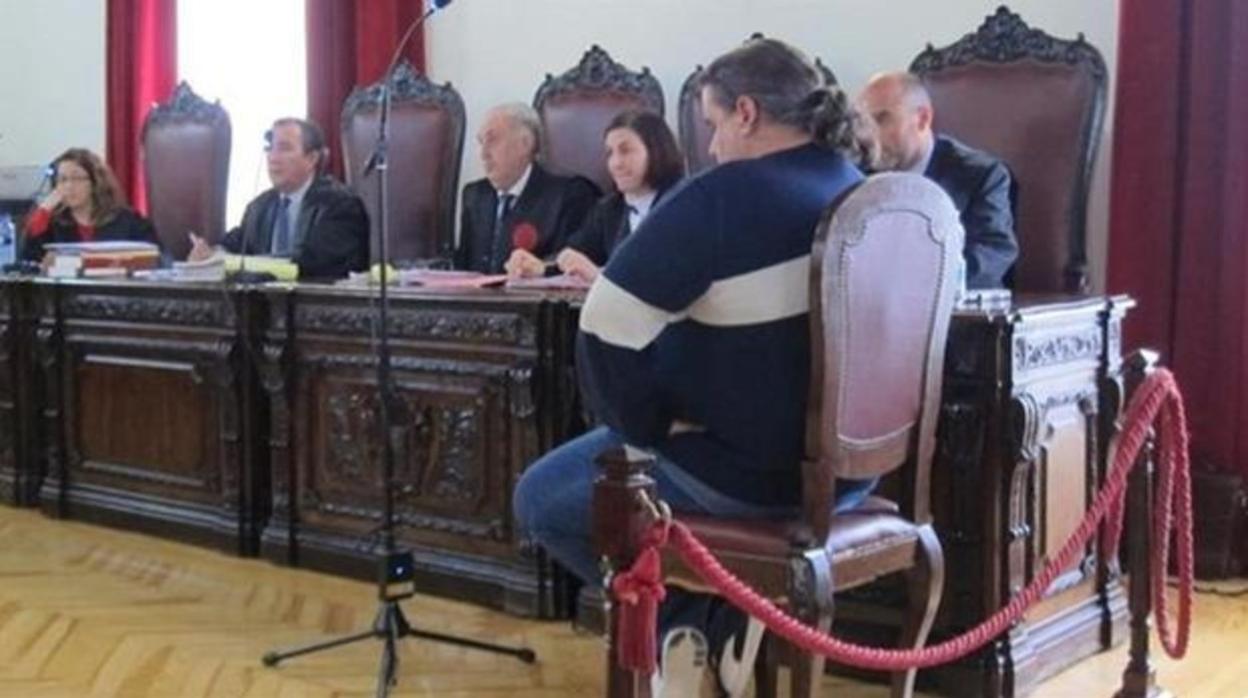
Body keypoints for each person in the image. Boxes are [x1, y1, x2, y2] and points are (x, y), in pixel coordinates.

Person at [513, 37, 875, 697]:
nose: (708, 149)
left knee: (542, 500)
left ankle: (693, 619)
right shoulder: (863, 188)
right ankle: (725, 618)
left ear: (745, 113)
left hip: (742, 471)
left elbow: (603, 327)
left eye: (711, 126)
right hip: (850, 470)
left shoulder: (724, 196)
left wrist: (649, 429)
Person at [858, 71, 1019, 289]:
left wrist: (919, 284)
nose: (870, 135)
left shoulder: (981, 175)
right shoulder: (858, 175)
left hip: (954, 312)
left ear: (923, 119)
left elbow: (993, 253)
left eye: (882, 119)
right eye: (864, 123)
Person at [504, 109, 684, 283]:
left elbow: (668, 276)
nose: (616, 163)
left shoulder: (682, 203)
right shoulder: (609, 209)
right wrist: (540, 267)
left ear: (656, 151)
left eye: (626, 150)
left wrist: (600, 276)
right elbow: (575, 252)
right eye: (610, 153)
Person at [187, 117, 368, 281]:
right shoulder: (259, 206)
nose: (273, 158)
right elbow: (237, 244)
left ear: (312, 158)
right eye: (270, 148)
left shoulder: (340, 205)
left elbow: (317, 261)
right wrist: (212, 254)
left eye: (284, 149)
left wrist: (252, 264)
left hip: (317, 308)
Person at [455, 103, 600, 274]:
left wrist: (540, 269)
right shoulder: (475, 195)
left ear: (525, 144)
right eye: (481, 142)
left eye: (492, 140)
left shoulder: (569, 195)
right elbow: (463, 267)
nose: (483, 153)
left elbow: (572, 263)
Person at [23, 148, 158, 261]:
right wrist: (43, 211)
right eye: (62, 179)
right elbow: (27, 262)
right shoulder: (53, 224)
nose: (68, 186)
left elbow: (158, 259)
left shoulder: (128, 220)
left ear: (95, 183)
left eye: (77, 178)